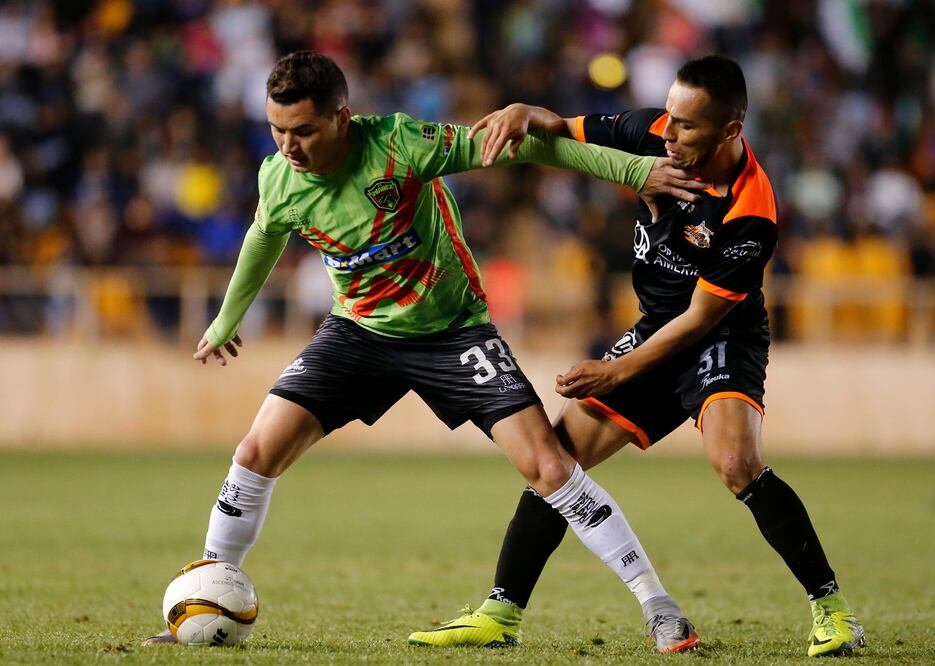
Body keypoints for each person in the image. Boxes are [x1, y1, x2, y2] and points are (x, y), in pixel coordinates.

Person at [142, 50, 708, 649]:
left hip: (454, 332)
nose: (289, 146)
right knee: (256, 451)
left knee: (549, 466)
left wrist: (629, 171)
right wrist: (227, 319)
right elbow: (263, 237)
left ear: (342, 117)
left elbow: (526, 147)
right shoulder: (278, 178)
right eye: (277, 129)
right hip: (357, 331)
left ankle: (658, 605)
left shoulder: (401, 144)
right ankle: (205, 595)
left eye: (303, 130)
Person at [408, 55, 866, 658]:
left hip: (721, 338)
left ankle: (832, 612)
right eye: (669, 119)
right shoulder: (652, 130)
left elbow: (701, 318)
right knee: (556, 460)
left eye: (687, 127)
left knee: (734, 462)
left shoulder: (751, 210)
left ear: (731, 130)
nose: (668, 135)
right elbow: (560, 129)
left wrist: (615, 368)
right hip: (655, 327)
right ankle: (501, 613)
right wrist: (523, 111)